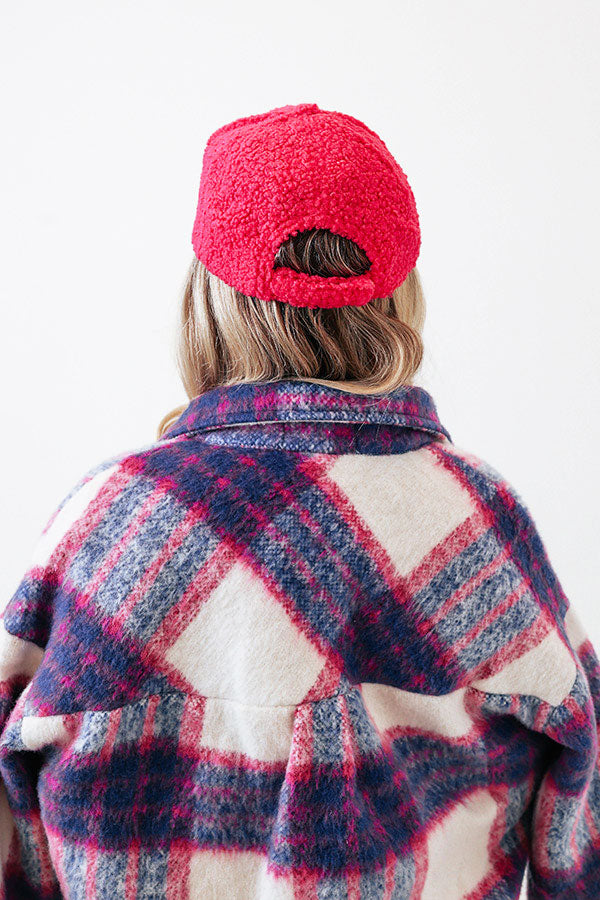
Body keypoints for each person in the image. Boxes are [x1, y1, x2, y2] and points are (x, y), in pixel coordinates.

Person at [0, 102, 597, 900]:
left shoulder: (104, 523)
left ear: (207, 301)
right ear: (400, 297)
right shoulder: (481, 521)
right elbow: (581, 823)